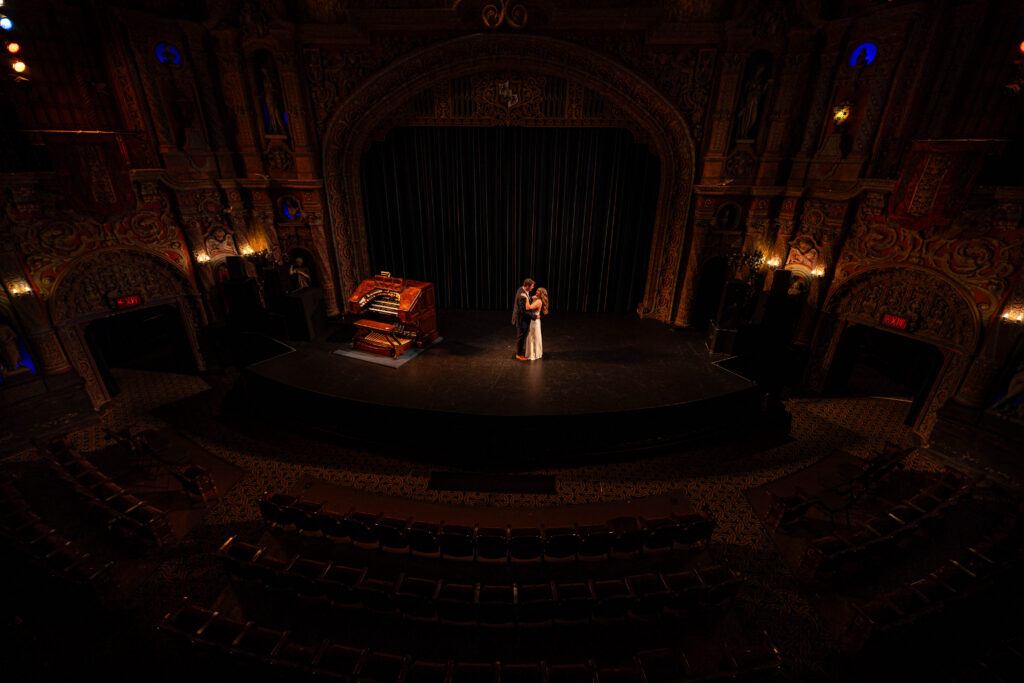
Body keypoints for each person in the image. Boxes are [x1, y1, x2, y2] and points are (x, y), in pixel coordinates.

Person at [511, 278, 536, 361]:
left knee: (522, 336)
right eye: (532, 286)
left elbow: (526, 300)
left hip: (521, 318)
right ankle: (518, 354)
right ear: (528, 286)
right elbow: (523, 311)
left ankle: (520, 349)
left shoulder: (521, 289)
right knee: (521, 337)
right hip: (521, 320)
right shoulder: (522, 296)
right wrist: (534, 316)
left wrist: (531, 298)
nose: (533, 288)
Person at [524, 287, 549, 361]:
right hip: (533, 320)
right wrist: (531, 297)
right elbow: (531, 297)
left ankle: (533, 354)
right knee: (532, 336)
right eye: (537, 290)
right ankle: (532, 352)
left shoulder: (539, 301)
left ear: (541, 293)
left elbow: (528, 307)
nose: (536, 291)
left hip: (534, 322)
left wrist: (525, 298)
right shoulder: (536, 298)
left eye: (538, 291)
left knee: (533, 337)